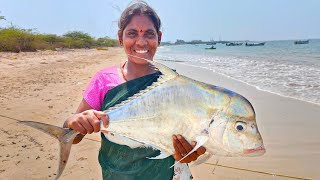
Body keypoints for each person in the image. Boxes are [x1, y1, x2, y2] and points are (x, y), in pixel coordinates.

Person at [64, 1, 206, 179]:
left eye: (149, 34)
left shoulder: (174, 85)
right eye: (132, 33)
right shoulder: (103, 80)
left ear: (159, 38)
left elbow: (185, 138)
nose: (141, 41)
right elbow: (73, 136)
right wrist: (72, 122)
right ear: (120, 37)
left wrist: (187, 152)